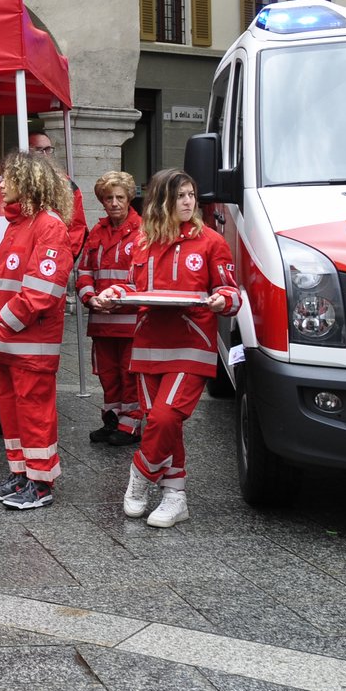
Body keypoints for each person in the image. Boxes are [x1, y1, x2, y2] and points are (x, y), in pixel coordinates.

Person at [93, 168, 240, 529]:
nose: (188, 202)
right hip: (147, 345)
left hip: (192, 345)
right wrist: (115, 296)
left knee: (164, 418)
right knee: (163, 424)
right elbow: (131, 288)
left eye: (191, 195)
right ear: (162, 201)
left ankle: (140, 474)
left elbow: (231, 292)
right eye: (180, 196)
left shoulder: (211, 242)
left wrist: (222, 300)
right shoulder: (143, 244)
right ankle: (176, 497)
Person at [0, 150, 74, 510]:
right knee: (12, 412)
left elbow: (41, 291)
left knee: (33, 412)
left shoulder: (49, 225)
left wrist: (1, 323)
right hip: (7, 341)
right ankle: (21, 476)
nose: (3, 186)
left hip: (30, 343)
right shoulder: (17, 225)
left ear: (30, 182)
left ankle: (41, 482)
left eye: (10, 179)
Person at [76, 170, 143, 446]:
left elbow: (145, 277)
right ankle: (112, 420)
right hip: (101, 319)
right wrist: (89, 297)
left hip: (130, 321)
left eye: (119, 197)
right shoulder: (97, 232)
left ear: (129, 199)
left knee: (129, 375)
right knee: (107, 374)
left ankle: (131, 426)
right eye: (108, 198)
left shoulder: (144, 232)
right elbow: (84, 270)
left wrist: (116, 297)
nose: (114, 203)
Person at [28, 132, 89, 259]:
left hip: (52, 259)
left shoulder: (67, 186)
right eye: (39, 150)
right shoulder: (10, 184)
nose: (45, 155)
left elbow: (77, 227)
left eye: (48, 149)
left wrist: (64, 258)